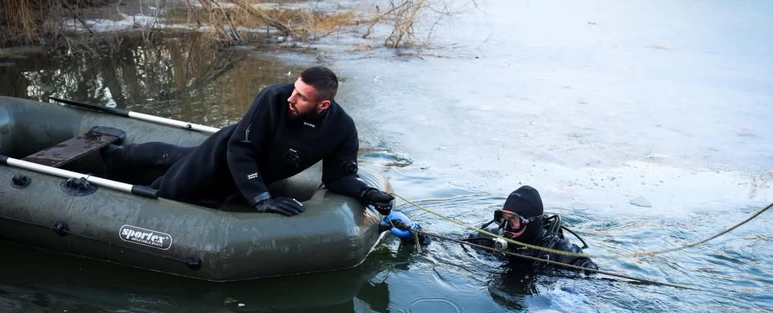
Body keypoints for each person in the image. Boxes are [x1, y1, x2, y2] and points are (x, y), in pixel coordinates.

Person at [101, 66, 395, 216]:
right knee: (166, 189)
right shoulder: (274, 97)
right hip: (221, 155)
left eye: (301, 97)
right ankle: (112, 161)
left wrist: (368, 195)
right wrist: (262, 199)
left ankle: (116, 156)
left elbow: (338, 178)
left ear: (323, 105)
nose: (291, 98)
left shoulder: (341, 129)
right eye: (294, 89)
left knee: (179, 156)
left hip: (252, 168)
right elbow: (241, 150)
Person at [384, 185, 598, 273]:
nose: (505, 228)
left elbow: (591, 273)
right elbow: (453, 244)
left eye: (513, 221)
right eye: (502, 219)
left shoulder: (558, 251)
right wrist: (418, 237)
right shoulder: (494, 239)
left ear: (531, 222)